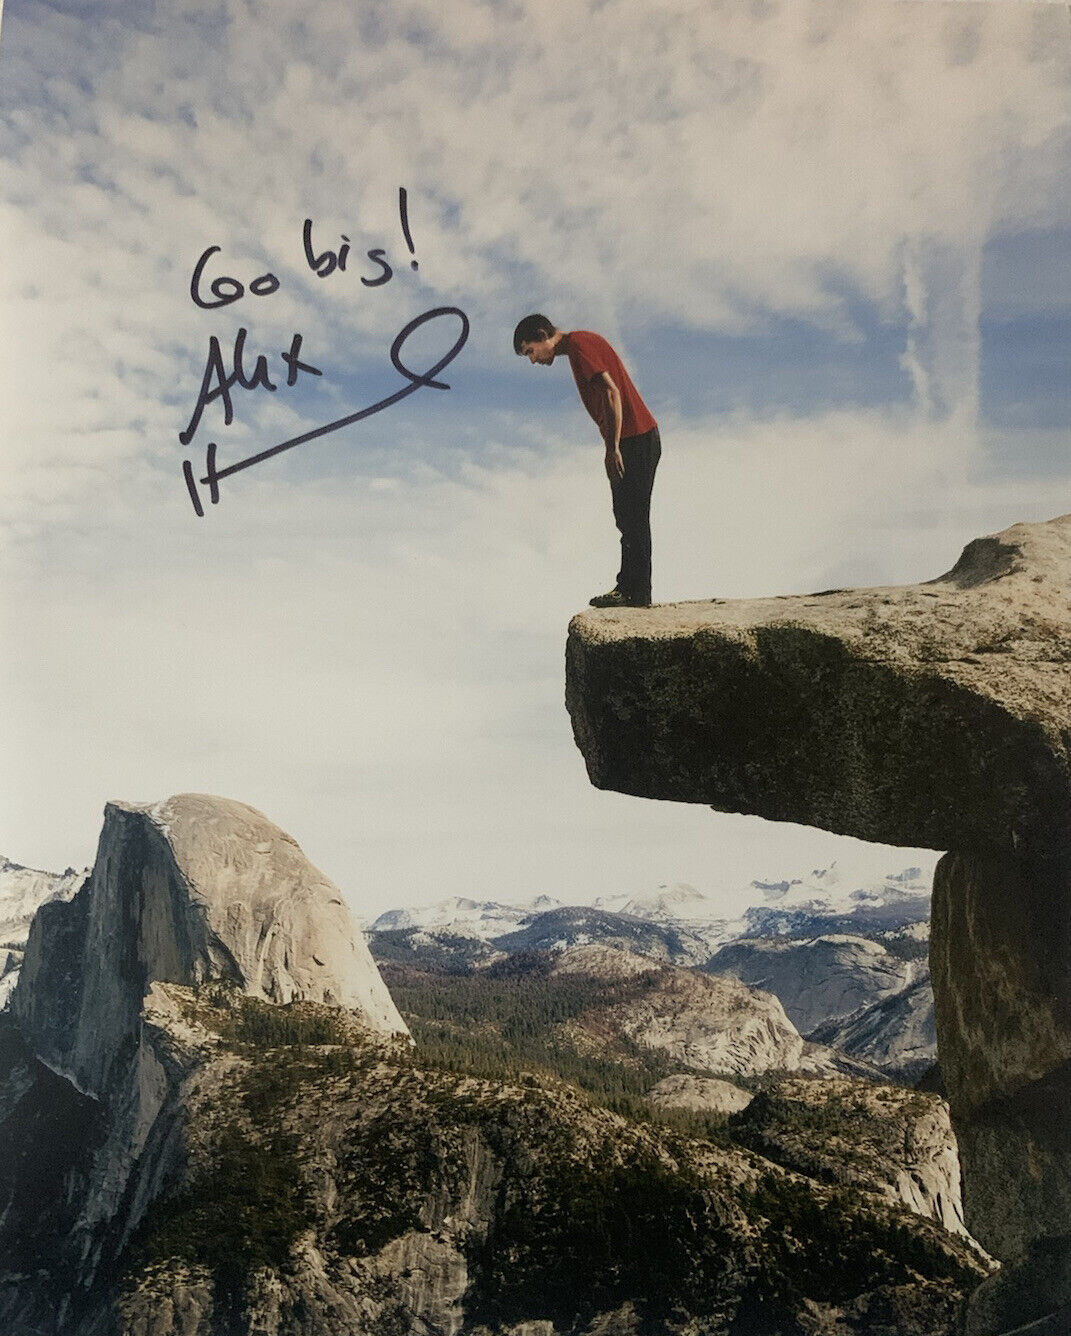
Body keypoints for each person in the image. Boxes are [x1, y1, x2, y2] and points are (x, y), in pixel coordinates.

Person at [513, 314, 660, 608]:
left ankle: (637, 593)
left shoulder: (580, 344)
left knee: (633, 518)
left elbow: (610, 392)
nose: (532, 360)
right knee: (626, 516)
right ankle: (629, 589)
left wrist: (612, 447)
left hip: (636, 438)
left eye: (530, 351)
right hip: (633, 439)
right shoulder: (578, 347)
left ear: (543, 335)